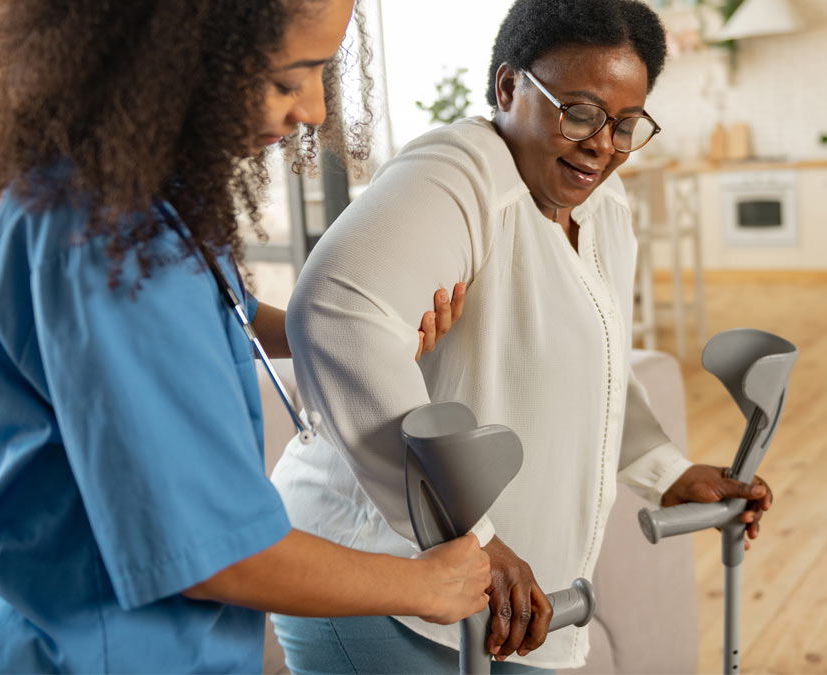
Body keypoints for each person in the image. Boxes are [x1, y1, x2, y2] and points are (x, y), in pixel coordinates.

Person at [0, 0, 488, 672]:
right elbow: (217, 550)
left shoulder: (147, 195)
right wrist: (426, 584)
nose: (313, 111)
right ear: (178, 56)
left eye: (321, 75)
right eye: (288, 80)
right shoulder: (109, 244)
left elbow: (225, 309)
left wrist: (352, 329)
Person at [271, 0, 775, 672]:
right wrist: (471, 535)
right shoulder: (459, 171)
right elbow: (334, 311)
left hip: (504, 604)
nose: (602, 143)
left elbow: (593, 365)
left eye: (626, 125)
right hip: (384, 586)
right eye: (581, 110)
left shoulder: (600, 204)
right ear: (510, 87)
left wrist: (667, 472)